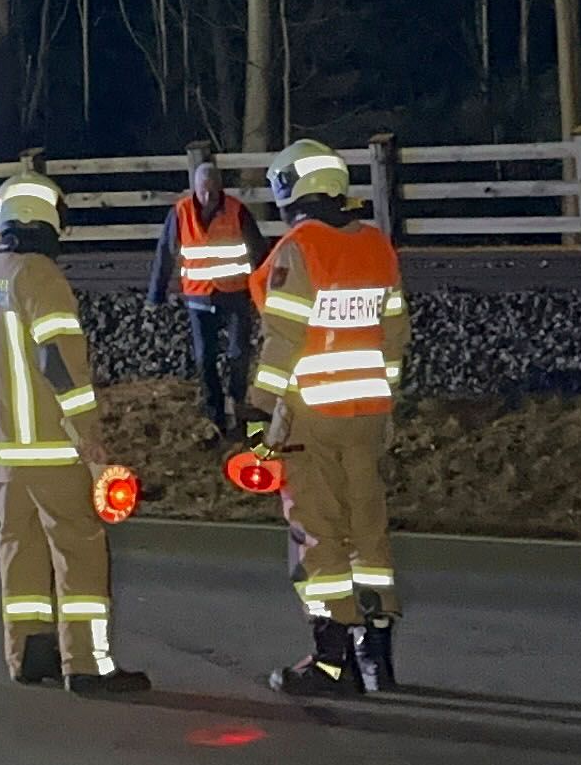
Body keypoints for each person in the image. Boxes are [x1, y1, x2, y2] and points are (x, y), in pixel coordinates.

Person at [0, 165, 146, 696]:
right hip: (51, 447)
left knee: (19, 548)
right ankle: (88, 664)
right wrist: (89, 438)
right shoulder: (40, 276)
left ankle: (29, 654)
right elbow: (59, 362)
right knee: (79, 550)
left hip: (2, 449)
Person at [245, 138, 410, 696]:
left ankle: (331, 664)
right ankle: (376, 662)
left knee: (319, 538)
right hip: (366, 416)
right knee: (369, 533)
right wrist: (386, 406)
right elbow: (394, 337)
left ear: (290, 189)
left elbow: (282, 342)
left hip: (312, 419)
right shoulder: (375, 247)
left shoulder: (299, 249)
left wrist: (258, 414)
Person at [148, 157, 264, 438]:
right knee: (204, 357)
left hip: (235, 292)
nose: (209, 196)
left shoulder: (237, 211)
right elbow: (166, 252)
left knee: (239, 353)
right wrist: (156, 294)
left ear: (221, 187)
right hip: (199, 297)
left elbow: (259, 251)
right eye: (203, 191)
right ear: (194, 188)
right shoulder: (180, 212)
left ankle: (236, 400)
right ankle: (214, 411)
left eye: (213, 190)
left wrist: (265, 291)